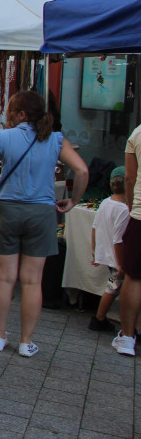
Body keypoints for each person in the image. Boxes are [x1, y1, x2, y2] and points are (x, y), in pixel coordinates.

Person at [0, 90, 88, 358]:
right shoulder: (56, 139)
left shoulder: (4, 137)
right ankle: (26, 342)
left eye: (10, 112)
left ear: (21, 114)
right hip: (42, 213)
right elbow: (82, 170)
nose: (8, 118)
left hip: (8, 210)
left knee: (4, 278)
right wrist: (73, 201)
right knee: (32, 281)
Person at [89, 167, 130, 332]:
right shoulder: (123, 210)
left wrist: (94, 251)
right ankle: (99, 318)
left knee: (114, 287)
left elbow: (94, 226)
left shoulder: (106, 202)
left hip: (107, 254)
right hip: (117, 258)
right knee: (113, 288)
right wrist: (121, 264)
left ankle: (100, 318)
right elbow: (118, 239)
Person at [115, 123, 141, 356]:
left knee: (134, 277)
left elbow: (130, 178)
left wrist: (131, 205)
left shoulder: (138, 133)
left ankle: (127, 337)